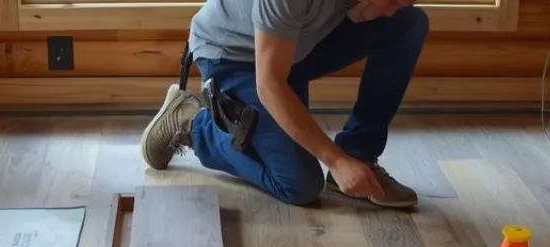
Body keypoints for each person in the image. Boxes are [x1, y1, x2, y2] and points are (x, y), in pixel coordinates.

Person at [140, 0, 428, 209]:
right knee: (298, 185)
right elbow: (269, 84)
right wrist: (334, 160)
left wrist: (347, 160)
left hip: (294, 46)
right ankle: (193, 124)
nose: (392, 9)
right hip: (235, 54)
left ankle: (360, 156)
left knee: (409, 24)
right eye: (391, 0)